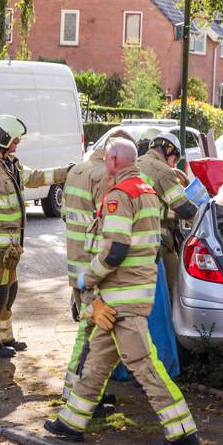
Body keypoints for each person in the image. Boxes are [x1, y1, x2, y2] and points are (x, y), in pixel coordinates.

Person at [45, 138, 201, 445]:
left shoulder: (120, 194)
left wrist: (87, 277)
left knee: (144, 366)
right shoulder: (144, 189)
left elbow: (115, 250)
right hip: (128, 294)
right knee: (97, 363)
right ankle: (71, 423)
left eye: (108, 159)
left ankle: (182, 430)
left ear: (114, 159)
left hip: (122, 299)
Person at [0, 115, 70, 358]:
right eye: (15, 140)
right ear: (3, 138)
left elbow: (35, 177)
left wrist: (67, 172)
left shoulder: (8, 161)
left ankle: (6, 337)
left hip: (10, 245)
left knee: (10, 291)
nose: (18, 144)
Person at [61, 128, 131, 401]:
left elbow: (67, 215)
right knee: (90, 334)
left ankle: (76, 392)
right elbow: (107, 224)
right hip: (92, 268)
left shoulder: (78, 170)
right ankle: (80, 395)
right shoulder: (104, 176)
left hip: (75, 263)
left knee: (87, 330)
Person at [136, 132, 197, 291]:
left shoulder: (136, 163)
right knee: (175, 286)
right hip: (157, 238)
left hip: (133, 237)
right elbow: (184, 208)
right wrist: (203, 217)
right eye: (175, 159)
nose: (174, 165)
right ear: (168, 150)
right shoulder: (163, 171)